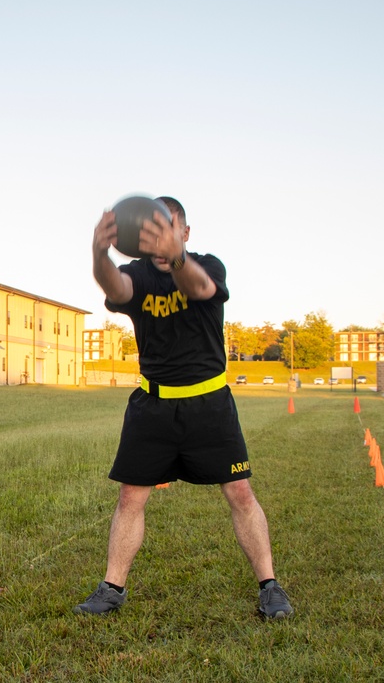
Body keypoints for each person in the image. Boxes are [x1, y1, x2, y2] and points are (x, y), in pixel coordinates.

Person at [74, 196, 293, 620]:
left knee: (241, 493)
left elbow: (199, 288)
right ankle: (112, 587)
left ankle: (270, 586)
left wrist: (176, 258)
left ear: (185, 233)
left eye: (167, 230)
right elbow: (115, 288)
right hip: (152, 407)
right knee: (130, 497)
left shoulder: (207, 266)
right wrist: (99, 254)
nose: (158, 241)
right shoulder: (136, 273)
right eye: (150, 234)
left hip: (209, 404)